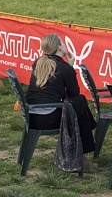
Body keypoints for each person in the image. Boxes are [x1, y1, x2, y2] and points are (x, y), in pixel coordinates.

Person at [25, 33, 97, 168]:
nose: (65, 45)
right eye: (63, 43)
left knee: (78, 103)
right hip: (49, 118)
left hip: (31, 116)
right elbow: (73, 93)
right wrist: (71, 67)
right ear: (59, 47)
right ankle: (82, 154)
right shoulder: (64, 68)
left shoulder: (38, 63)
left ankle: (90, 131)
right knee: (79, 101)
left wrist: (68, 67)